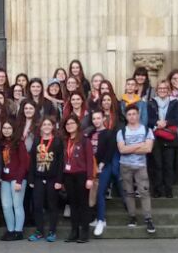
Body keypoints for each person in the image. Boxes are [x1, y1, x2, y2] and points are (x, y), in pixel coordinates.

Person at [117, 103, 157, 235]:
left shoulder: (147, 130)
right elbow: (122, 150)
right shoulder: (121, 131)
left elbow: (148, 149)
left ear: (138, 115)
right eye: (129, 114)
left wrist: (131, 147)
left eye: (134, 114)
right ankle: (132, 216)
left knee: (144, 192)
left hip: (141, 166)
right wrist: (140, 144)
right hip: (125, 165)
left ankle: (148, 218)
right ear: (126, 116)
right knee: (128, 192)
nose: (132, 116)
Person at [59, 114, 94, 244]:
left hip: (81, 175)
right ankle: (74, 231)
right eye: (67, 124)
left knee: (83, 204)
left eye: (72, 123)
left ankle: (84, 232)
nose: (69, 126)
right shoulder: (65, 141)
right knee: (72, 204)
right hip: (68, 175)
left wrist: (90, 178)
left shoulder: (84, 140)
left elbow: (90, 160)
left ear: (77, 125)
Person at [27, 117, 62, 242]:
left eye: (49, 124)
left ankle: (52, 231)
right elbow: (32, 161)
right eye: (44, 124)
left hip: (52, 178)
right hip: (38, 178)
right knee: (37, 205)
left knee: (52, 205)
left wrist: (59, 180)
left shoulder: (57, 142)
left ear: (53, 126)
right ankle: (39, 231)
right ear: (41, 127)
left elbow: (60, 162)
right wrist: (30, 178)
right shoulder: (37, 140)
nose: (46, 127)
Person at [88, 109, 119, 237]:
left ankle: (101, 220)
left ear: (103, 119)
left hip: (104, 167)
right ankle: (97, 217)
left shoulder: (109, 133)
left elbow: (110, 150)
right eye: (94, 118)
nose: (96, 121)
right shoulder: (90, 133)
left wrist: (102, 164)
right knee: (93, 193)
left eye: (98, 118)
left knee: (100, 192)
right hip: (92, 167)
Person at [151, 79, 178, 198]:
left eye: (165, 88)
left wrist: (166, 122)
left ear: (168, 90)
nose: (162, 90)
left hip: (169, 136)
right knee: (157, 164)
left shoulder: (175, 103)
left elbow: (177, 118)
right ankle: (158, 190)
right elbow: (148, 119)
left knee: (168, 164)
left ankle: (168, 189)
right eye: (160, 89)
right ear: (156, 91)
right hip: (156, 136)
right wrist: (157, 122)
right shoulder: (152, 102)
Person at [0, 121, 27, 241]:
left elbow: (24, 162)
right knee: (6, 205)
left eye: (9, 128)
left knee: (17, 205)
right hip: (4, 179)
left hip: (17, 178)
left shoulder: (19, 143)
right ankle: (10, 230)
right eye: (4, 128)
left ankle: (18, 231)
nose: (6, 130)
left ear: (13, 129)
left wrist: (19, 181)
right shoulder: (0, 143)